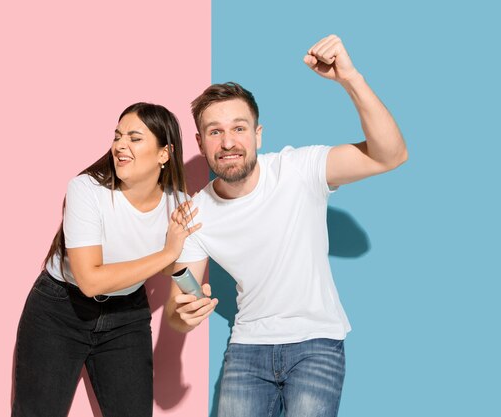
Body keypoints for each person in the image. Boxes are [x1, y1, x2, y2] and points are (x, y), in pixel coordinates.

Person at [164, 35, 408, 417]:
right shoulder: (195, 214)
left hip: (317, 344)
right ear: (200, 142)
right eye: (215, 132)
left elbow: (391, 154)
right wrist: (183, 315)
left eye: (239, 128)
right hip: (246, 349)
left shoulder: (299, 170)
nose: (228, 142)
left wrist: (350, 78)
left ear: (258, 134)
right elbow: (179, 311)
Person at [12, 102, 200, 417]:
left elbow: (176, 267)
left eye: (134, 138)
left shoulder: (179, 204)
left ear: (164, 153)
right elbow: (90, 280)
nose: (120, 145)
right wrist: (168, 251)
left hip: (126, 317)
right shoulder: (86, 190)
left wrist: (196, 293)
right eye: (117, 136)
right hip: (59, 311)